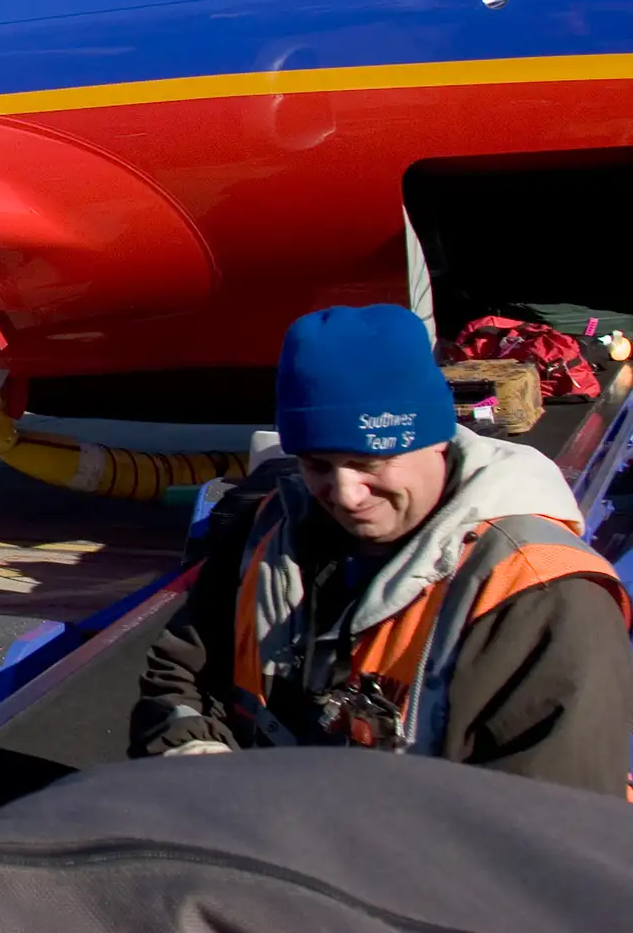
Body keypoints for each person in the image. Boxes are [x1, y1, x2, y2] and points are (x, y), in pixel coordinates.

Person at [131, 303, 633, 796]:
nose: (345, 494)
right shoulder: (266, 531)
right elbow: (180, 679)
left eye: (371, 461)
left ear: (437, 439)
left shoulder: (542, 598)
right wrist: (202, 776)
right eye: (318, 465)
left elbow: (549, 843)